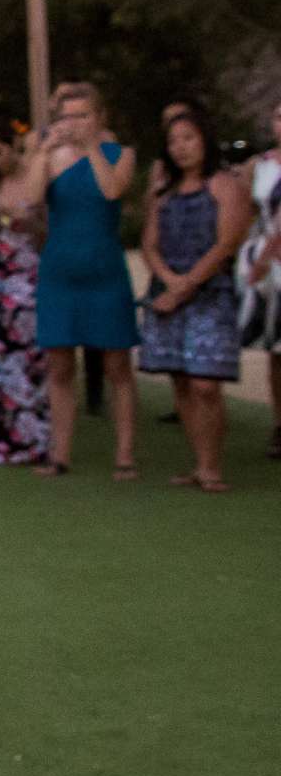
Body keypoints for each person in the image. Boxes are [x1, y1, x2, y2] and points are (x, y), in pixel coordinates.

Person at [29, 82, 139, 480]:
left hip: (104, 269)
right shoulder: (51, 156)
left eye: (83, 115)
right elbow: (30, 197)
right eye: (67, 116)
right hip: (60, 270)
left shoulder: (121, 155)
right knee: (59, 364)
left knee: (117, 365)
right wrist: (42, 151)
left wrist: (92, 146)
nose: (74, 123)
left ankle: (124, 454)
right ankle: (60, 454)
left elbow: (112, 190)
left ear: (100, 117)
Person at [140, 107, 251, 492]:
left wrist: (185, 286)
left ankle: (212, 464)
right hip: (168, 291)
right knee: (182, 379)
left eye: (188, 138)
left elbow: (227, 244)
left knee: (206, 381)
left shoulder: (225, 185)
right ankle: (199, 463)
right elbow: (149, 244)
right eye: (173, 142)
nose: (181, 148)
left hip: (210, 292)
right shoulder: (163, 192)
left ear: (204, 139)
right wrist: (169, 283)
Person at [0, 121, 51, 466]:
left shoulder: (37, 181)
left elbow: (46, 234)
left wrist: (18, 216)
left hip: (29, 280)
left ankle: (34, 441)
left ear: (15, 144)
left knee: (28, 361)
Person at [240, 97, 281, 459]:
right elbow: (250, 211)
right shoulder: (263, 166)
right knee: (276, 349)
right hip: (273, 269)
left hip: (273, 257)